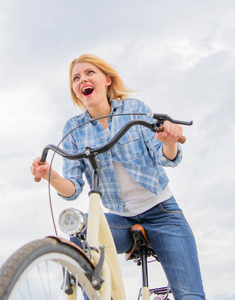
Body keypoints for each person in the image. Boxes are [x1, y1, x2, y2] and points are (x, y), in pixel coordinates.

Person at [31, 54, 205, 300]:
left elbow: (165, 156)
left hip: (162, 212)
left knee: (190, 295)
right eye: (76, 78)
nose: (83, 80)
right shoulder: (73, 128)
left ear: (107, 80)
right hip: (119, 219)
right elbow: (73, 189)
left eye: (90, 73)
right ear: (75, 91)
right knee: (81, 231)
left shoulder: (134, 109)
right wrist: (51, 176)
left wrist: (169, 142)